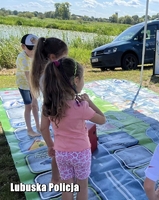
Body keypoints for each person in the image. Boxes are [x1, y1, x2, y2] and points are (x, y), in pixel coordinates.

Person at [40, 58, 106, 199]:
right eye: (83, 78)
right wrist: (89, 102)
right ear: (76, 80)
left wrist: (51, 146)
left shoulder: (48, 105)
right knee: (82, 187)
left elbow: (43, 128)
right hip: (81, 153)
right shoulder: (81, 107)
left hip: (61, 153)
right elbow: (102, 119)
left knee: (67, 187)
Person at [31, 37, 68, 184]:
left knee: (58, 150)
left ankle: (55, 178)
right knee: (59, 151)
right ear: (53, 57)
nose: (65, 61)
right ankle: (57, 178)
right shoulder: (51, 77)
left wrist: (50, 144)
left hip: (54, 114)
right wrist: (50, 145)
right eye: (64, 58)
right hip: (59, 116)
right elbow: (43, 126)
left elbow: (43, 127)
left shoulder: (45, 74)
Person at [16, 34, 41, 137]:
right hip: (24, 85)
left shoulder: (36, 56)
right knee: (29, 106)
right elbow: (28, 78)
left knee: (35, 106)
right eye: (30, 48)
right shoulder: (22, 58)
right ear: (23, 47)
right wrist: (34, 97)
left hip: (33, 84)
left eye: (35, 48)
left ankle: (38, 126)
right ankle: (29, 129)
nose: (32, 51)